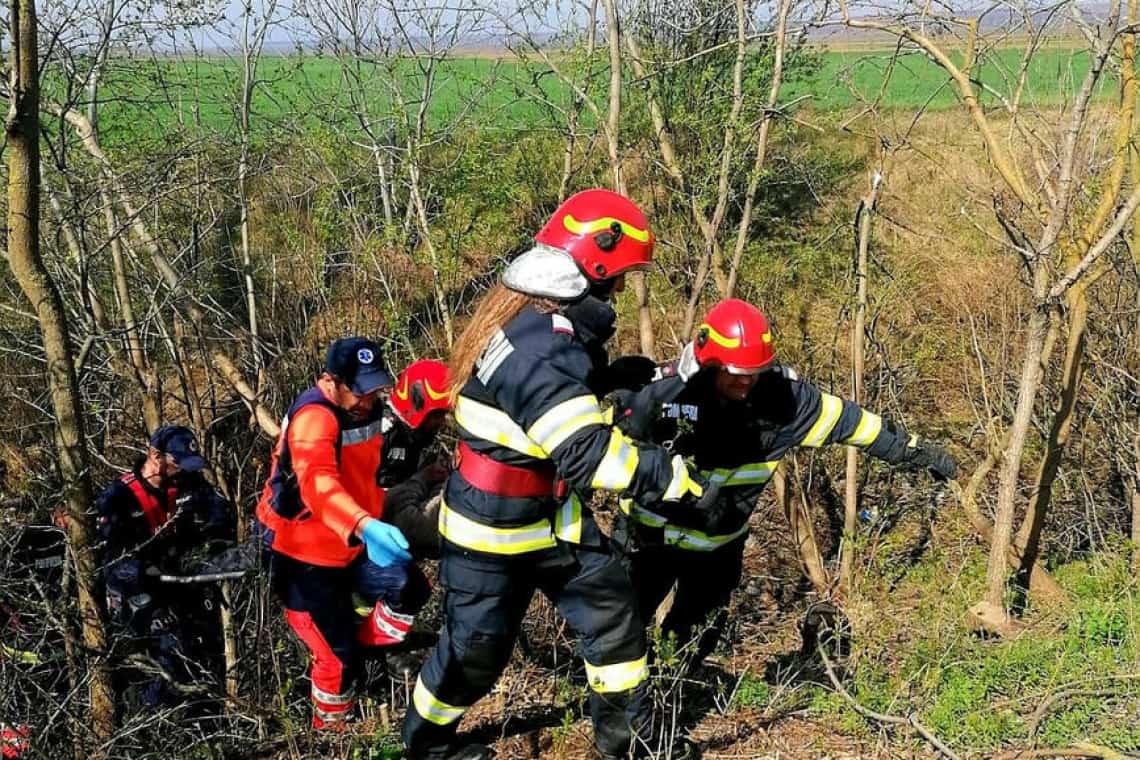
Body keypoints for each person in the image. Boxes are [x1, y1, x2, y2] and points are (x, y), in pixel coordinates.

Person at [401, 189, 715, 760]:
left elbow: (554, 410)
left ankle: (630, 746)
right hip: (490, 533)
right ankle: (425, 747)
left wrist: (610, 380)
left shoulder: (540, 323)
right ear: (594, 264)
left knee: (615, 622)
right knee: (474, 653)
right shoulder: (544, 344)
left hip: (554, 522)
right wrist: (670, 477)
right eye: (619, 277)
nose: (620, 290)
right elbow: (586, 454)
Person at [611, 298, 958, 667]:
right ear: (709, 362)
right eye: (734, 372)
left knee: (691, 645)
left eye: (754, 372)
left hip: (717, 551)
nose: (745, 382)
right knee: (616, 634)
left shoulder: (786, 401)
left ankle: (669, 703)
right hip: (645, 543)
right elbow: (590, 446)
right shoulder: (662, 394)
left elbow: (857, 425)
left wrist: (917, 452)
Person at [254, 337, 432, 730]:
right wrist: (364, 526)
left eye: (375, 388)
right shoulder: (313, 419)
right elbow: (318, 484)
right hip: (300, 554)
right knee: (335, 659)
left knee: (410, 589)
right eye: (359, 389)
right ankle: (333, 734)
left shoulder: (367, 407)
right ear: (330, 381)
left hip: (349, 541)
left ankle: (367, 651)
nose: (368, 399)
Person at [95, 425, 234, 707]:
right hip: (140, 591)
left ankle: (210, 716)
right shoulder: (117, 498)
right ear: (156, 456)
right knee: (170, 654)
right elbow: (109, 560)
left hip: (181, 582)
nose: (182, 470)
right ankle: (154, 719)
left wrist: (210, 545)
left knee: (210, 646)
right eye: (176, 463)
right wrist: (143, 571)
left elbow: (220, 514)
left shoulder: (189, 484)